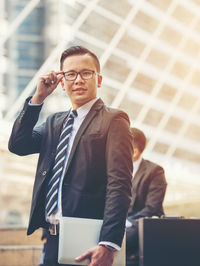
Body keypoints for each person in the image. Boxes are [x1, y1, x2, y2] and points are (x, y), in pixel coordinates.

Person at [8, 45, 133, 266]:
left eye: (86, 73)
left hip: (89, 239)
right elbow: (18, 145)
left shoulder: (114, 120)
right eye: (70, 74)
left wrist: (108, 243)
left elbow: (119, 184)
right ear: (62, 83)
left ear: (99, 79)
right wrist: (38, 98)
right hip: (51, 238)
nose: (78, 80)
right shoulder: (54, 123)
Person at [126, 128, 167, 265]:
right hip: (121, 225)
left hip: (141, 225)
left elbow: (152, 208)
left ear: (135, 152)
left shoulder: (155, 171)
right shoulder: (114, 169)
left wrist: (125, 221)